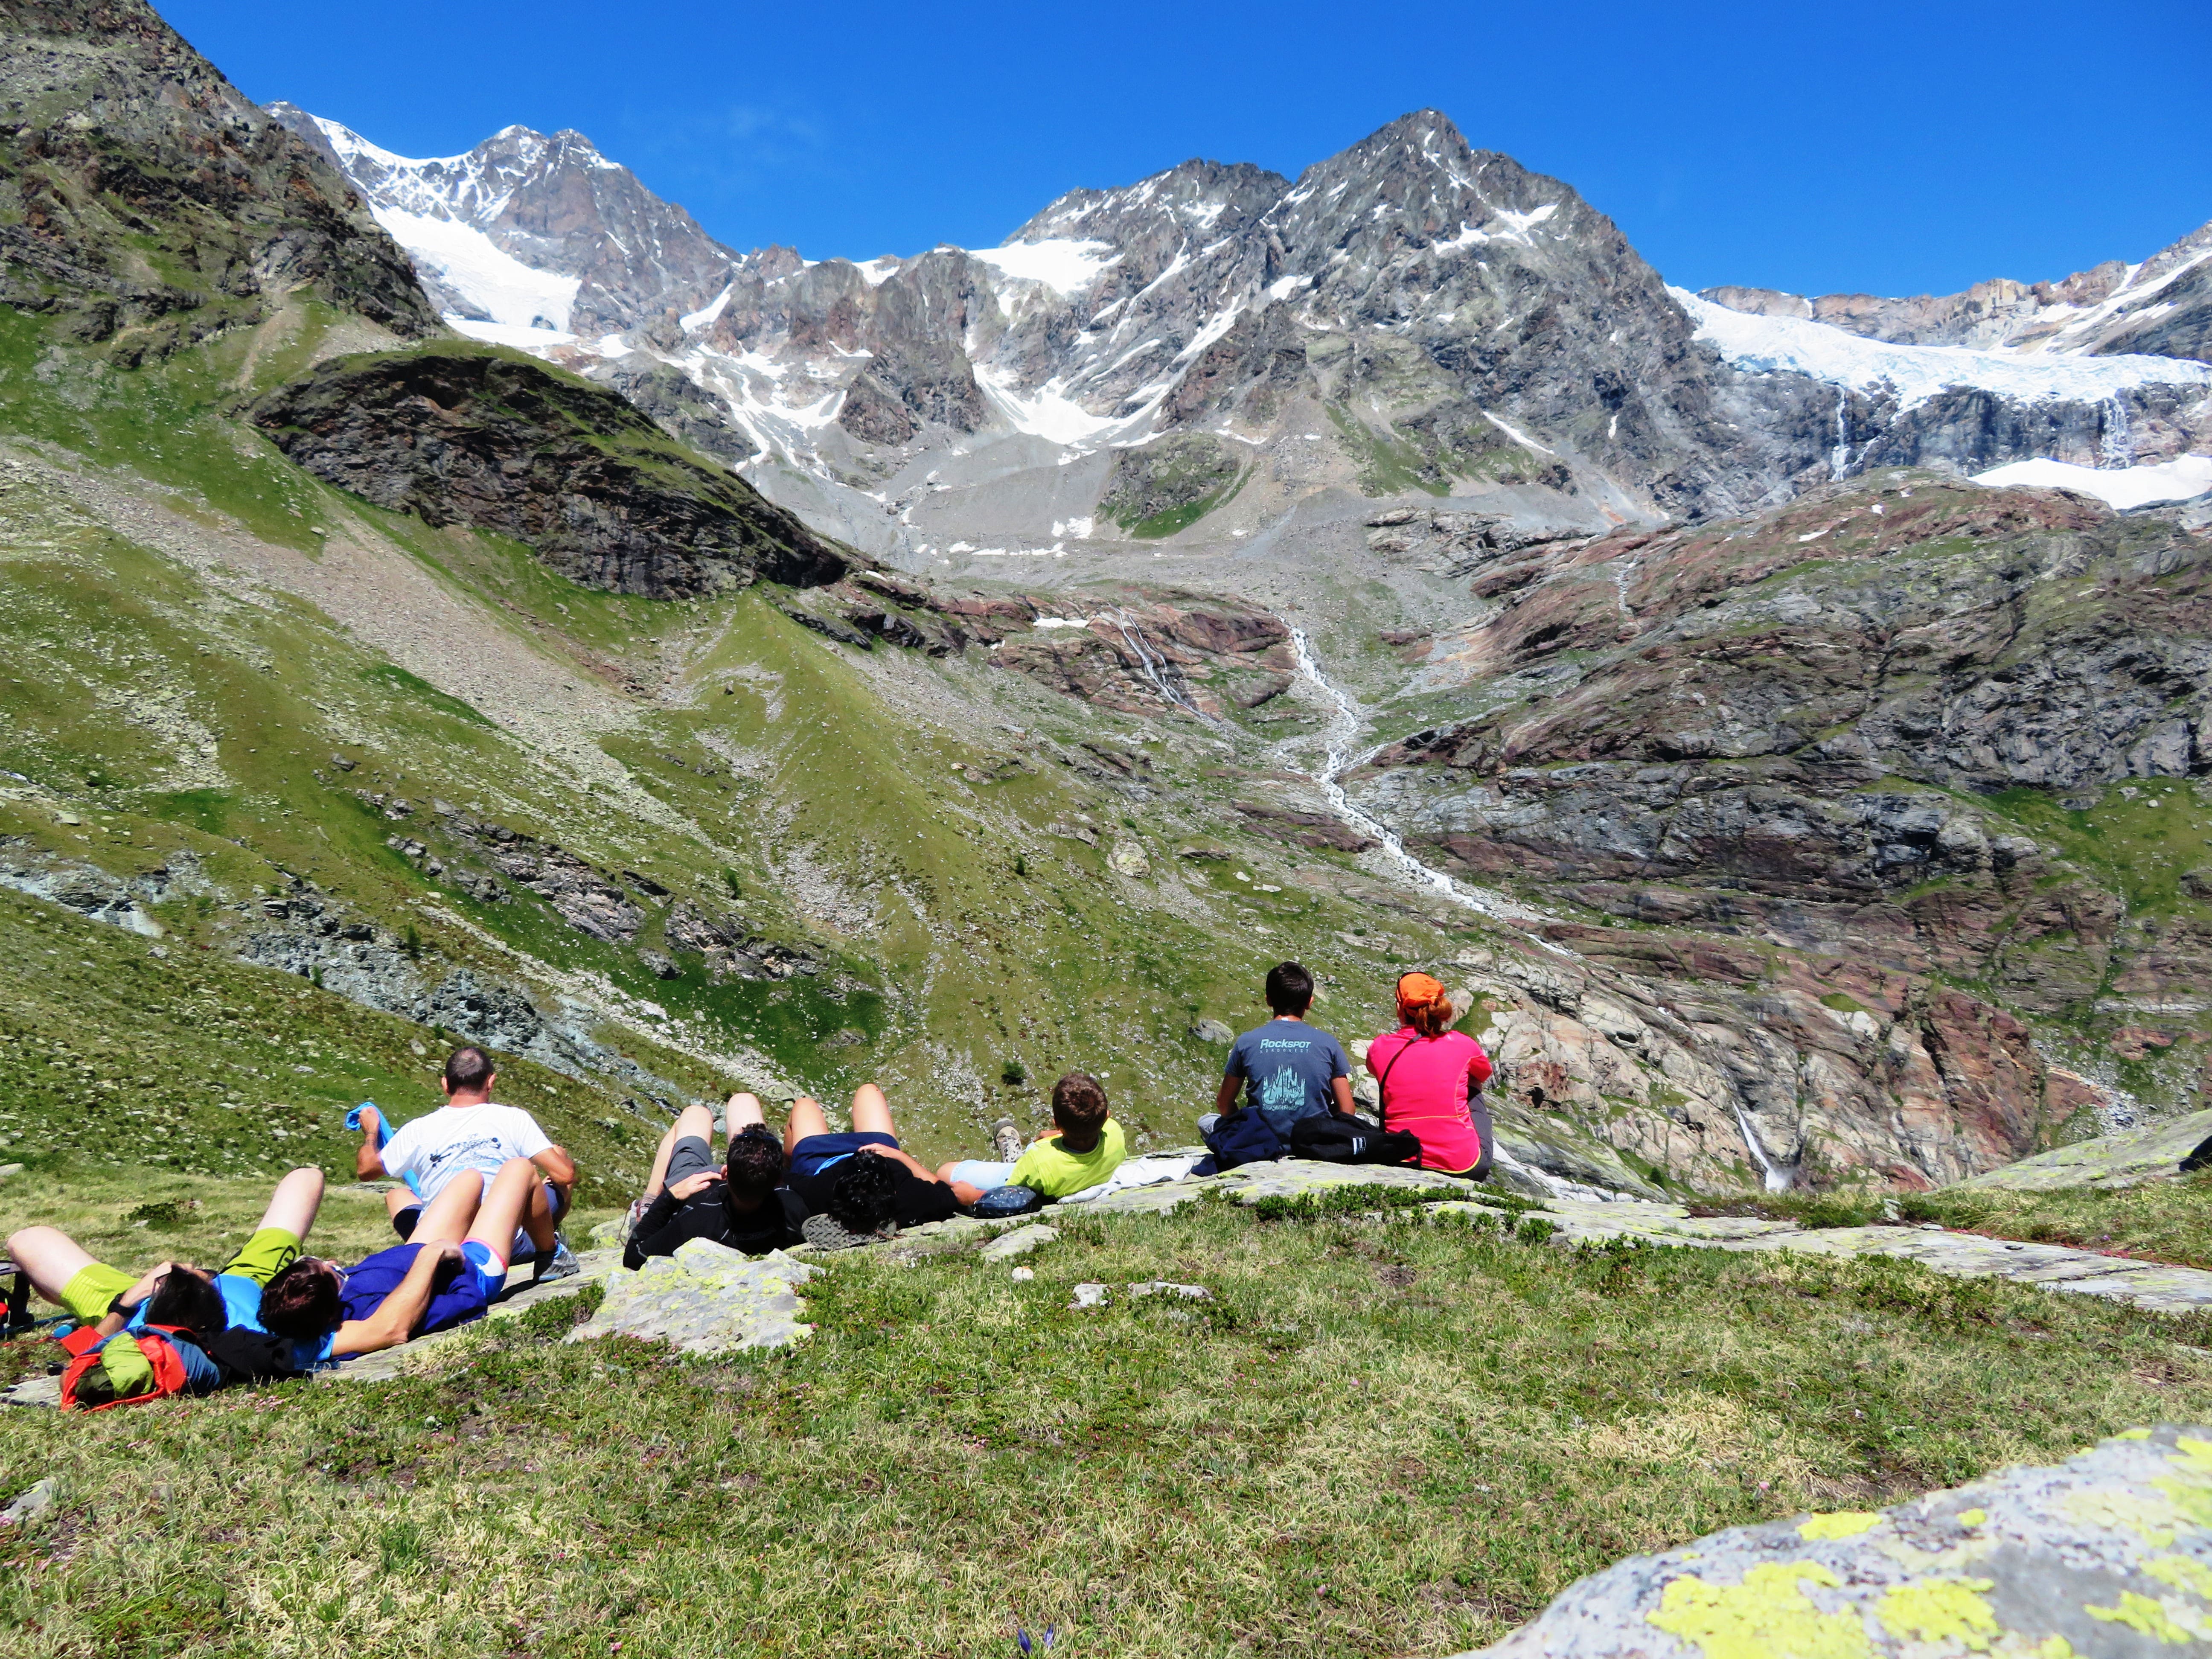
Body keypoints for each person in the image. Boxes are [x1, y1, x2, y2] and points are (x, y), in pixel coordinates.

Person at [4, 1165, 329, 1401]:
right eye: (187, 1270)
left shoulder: (133, 1322)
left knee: (28, 1241)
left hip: (122, 1300)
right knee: (307, 1175)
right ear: (212, 1289)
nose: (183, 1264)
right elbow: (308, 1177)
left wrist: (129, 1300)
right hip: (247, 1276)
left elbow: (74, 1374)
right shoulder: (256, 1328)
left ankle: (63, 1296)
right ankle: (58, 1293)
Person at [267, 1155, 546, 1367]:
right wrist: (452, 1264)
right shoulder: (373, 1309)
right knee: (520, 1169)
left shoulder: (315, 1305)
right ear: (331, 1311)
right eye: (335, 1273)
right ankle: (552, 1253)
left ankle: (506, 1228)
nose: (333, 1262)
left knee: (470, 1178)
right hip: (471, 1268)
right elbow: (469, 1303)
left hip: (419, 1250)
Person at [356, 1045, 579, 1280]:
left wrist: (371, 1132)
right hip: (507, 1243)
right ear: (491, 1082)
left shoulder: (418, 1129)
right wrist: (558, 1159)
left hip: (448, 1237)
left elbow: (366, 1170)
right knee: (552, 1165)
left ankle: (429, 1250)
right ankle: (549, 1252)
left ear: (445, 1084)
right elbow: (565, 1175)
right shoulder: (512, 1119)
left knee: (397, 1196)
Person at [623, 1092, 806, 1267]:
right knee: (744, 1100)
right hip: (748, 1179)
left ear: (725, 1172)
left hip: (697, 1183)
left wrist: (670, 1196)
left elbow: (633, 1256)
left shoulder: (696, 1221)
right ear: (778, 1181)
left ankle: (648, 1205)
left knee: (696, 1114)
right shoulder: (792, 1209)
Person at [783, 1085, 980, 1246]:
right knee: (869, 1091)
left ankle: (788, 1155)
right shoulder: (912, 1195)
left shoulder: (821, 1189)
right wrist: (899, 1156)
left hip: (824, 1158)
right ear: (893, 1195)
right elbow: (947, 1190)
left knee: (804, 1104)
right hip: (880, 1149)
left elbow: (788, 1178)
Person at [1365, 972, 1495, 1177]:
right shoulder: (1464, 1045)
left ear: (1400, 1008)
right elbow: (1484, 1073)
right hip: (1462, 1165)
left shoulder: (1380, 1047)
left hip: (1401, 1158)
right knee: (1473, 1082)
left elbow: (1374, 1070)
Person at [1207, 962, 1355, 1140]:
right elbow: (1347, 1111)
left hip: (1260, 1141)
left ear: (1268, 1000)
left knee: (1207, 1122)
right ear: (1309, 1003)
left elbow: (1224, 1104)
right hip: (1313, 1143)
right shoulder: (1328, 1043)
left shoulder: (1247, 1041)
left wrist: (1242, 1129)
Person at [937, 1071, 1127, 1199]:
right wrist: (1056, 1134)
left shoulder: (1038, 1161)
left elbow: (1012, 1196)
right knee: (1041, 1144)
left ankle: (1013, 1157)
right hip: (1069, 1173)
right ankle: (1016, 1155)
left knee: (946, 1171)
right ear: (1106, 1116)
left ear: (1057, 1123)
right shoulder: (1115, 1132)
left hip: (1029, 1173)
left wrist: (975, 1196)